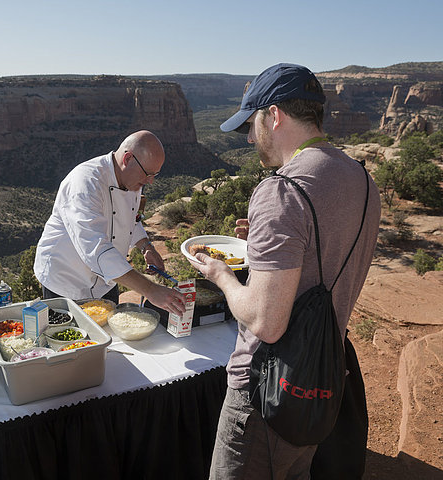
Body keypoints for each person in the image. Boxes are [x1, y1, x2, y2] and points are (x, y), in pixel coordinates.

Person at [186, 63, 381, 479]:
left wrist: (221, 275)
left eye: (252, 125)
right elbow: (322, 254)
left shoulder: (281, 190)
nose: (251, 138)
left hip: (264, 393)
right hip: (320, 384)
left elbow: (266, 322)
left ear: (274, 115)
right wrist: (266, 240)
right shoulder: (361, 180)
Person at [34, 130, 185, 316]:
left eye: (155, 174)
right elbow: (95, 247)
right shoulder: (85, 183)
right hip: (66, 282)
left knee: (110, 337)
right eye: (148, 174)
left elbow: (130, 218)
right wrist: (150, 289)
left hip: (109, 280)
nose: (151, 181)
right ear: (128, 158)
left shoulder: (132, 179)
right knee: (72, 341)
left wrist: (146, 246)